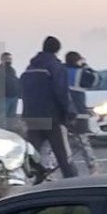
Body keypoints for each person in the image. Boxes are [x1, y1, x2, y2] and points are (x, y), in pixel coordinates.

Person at [20, 36, 78, 178]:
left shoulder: (30, 68)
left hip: (32, 117)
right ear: (57, 49)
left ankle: (28, 181)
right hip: (52, 117)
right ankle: (73, 184)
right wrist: (70, 113)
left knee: (32, 155)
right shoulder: (56, 67)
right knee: (63, 156)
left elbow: (22, 91)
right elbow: (61, 93)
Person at [65, 51, 100, 175]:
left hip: (62, 113)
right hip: (79, 113)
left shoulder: (61, 72)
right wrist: (85, 65)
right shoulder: (80, 73)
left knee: (60, 143)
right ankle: (92, 167)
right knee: (83, 142)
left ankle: (54, 168)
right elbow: (96, 79)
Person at [0, 52, 21, 131]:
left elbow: (15, 81)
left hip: (14, 97)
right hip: (4, 98)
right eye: (7, 59)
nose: (9, 61)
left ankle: (10, 133)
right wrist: (1, 94)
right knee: (1, 118)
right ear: (2, 59)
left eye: (10, 59)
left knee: (11, 118)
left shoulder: (12, 70)